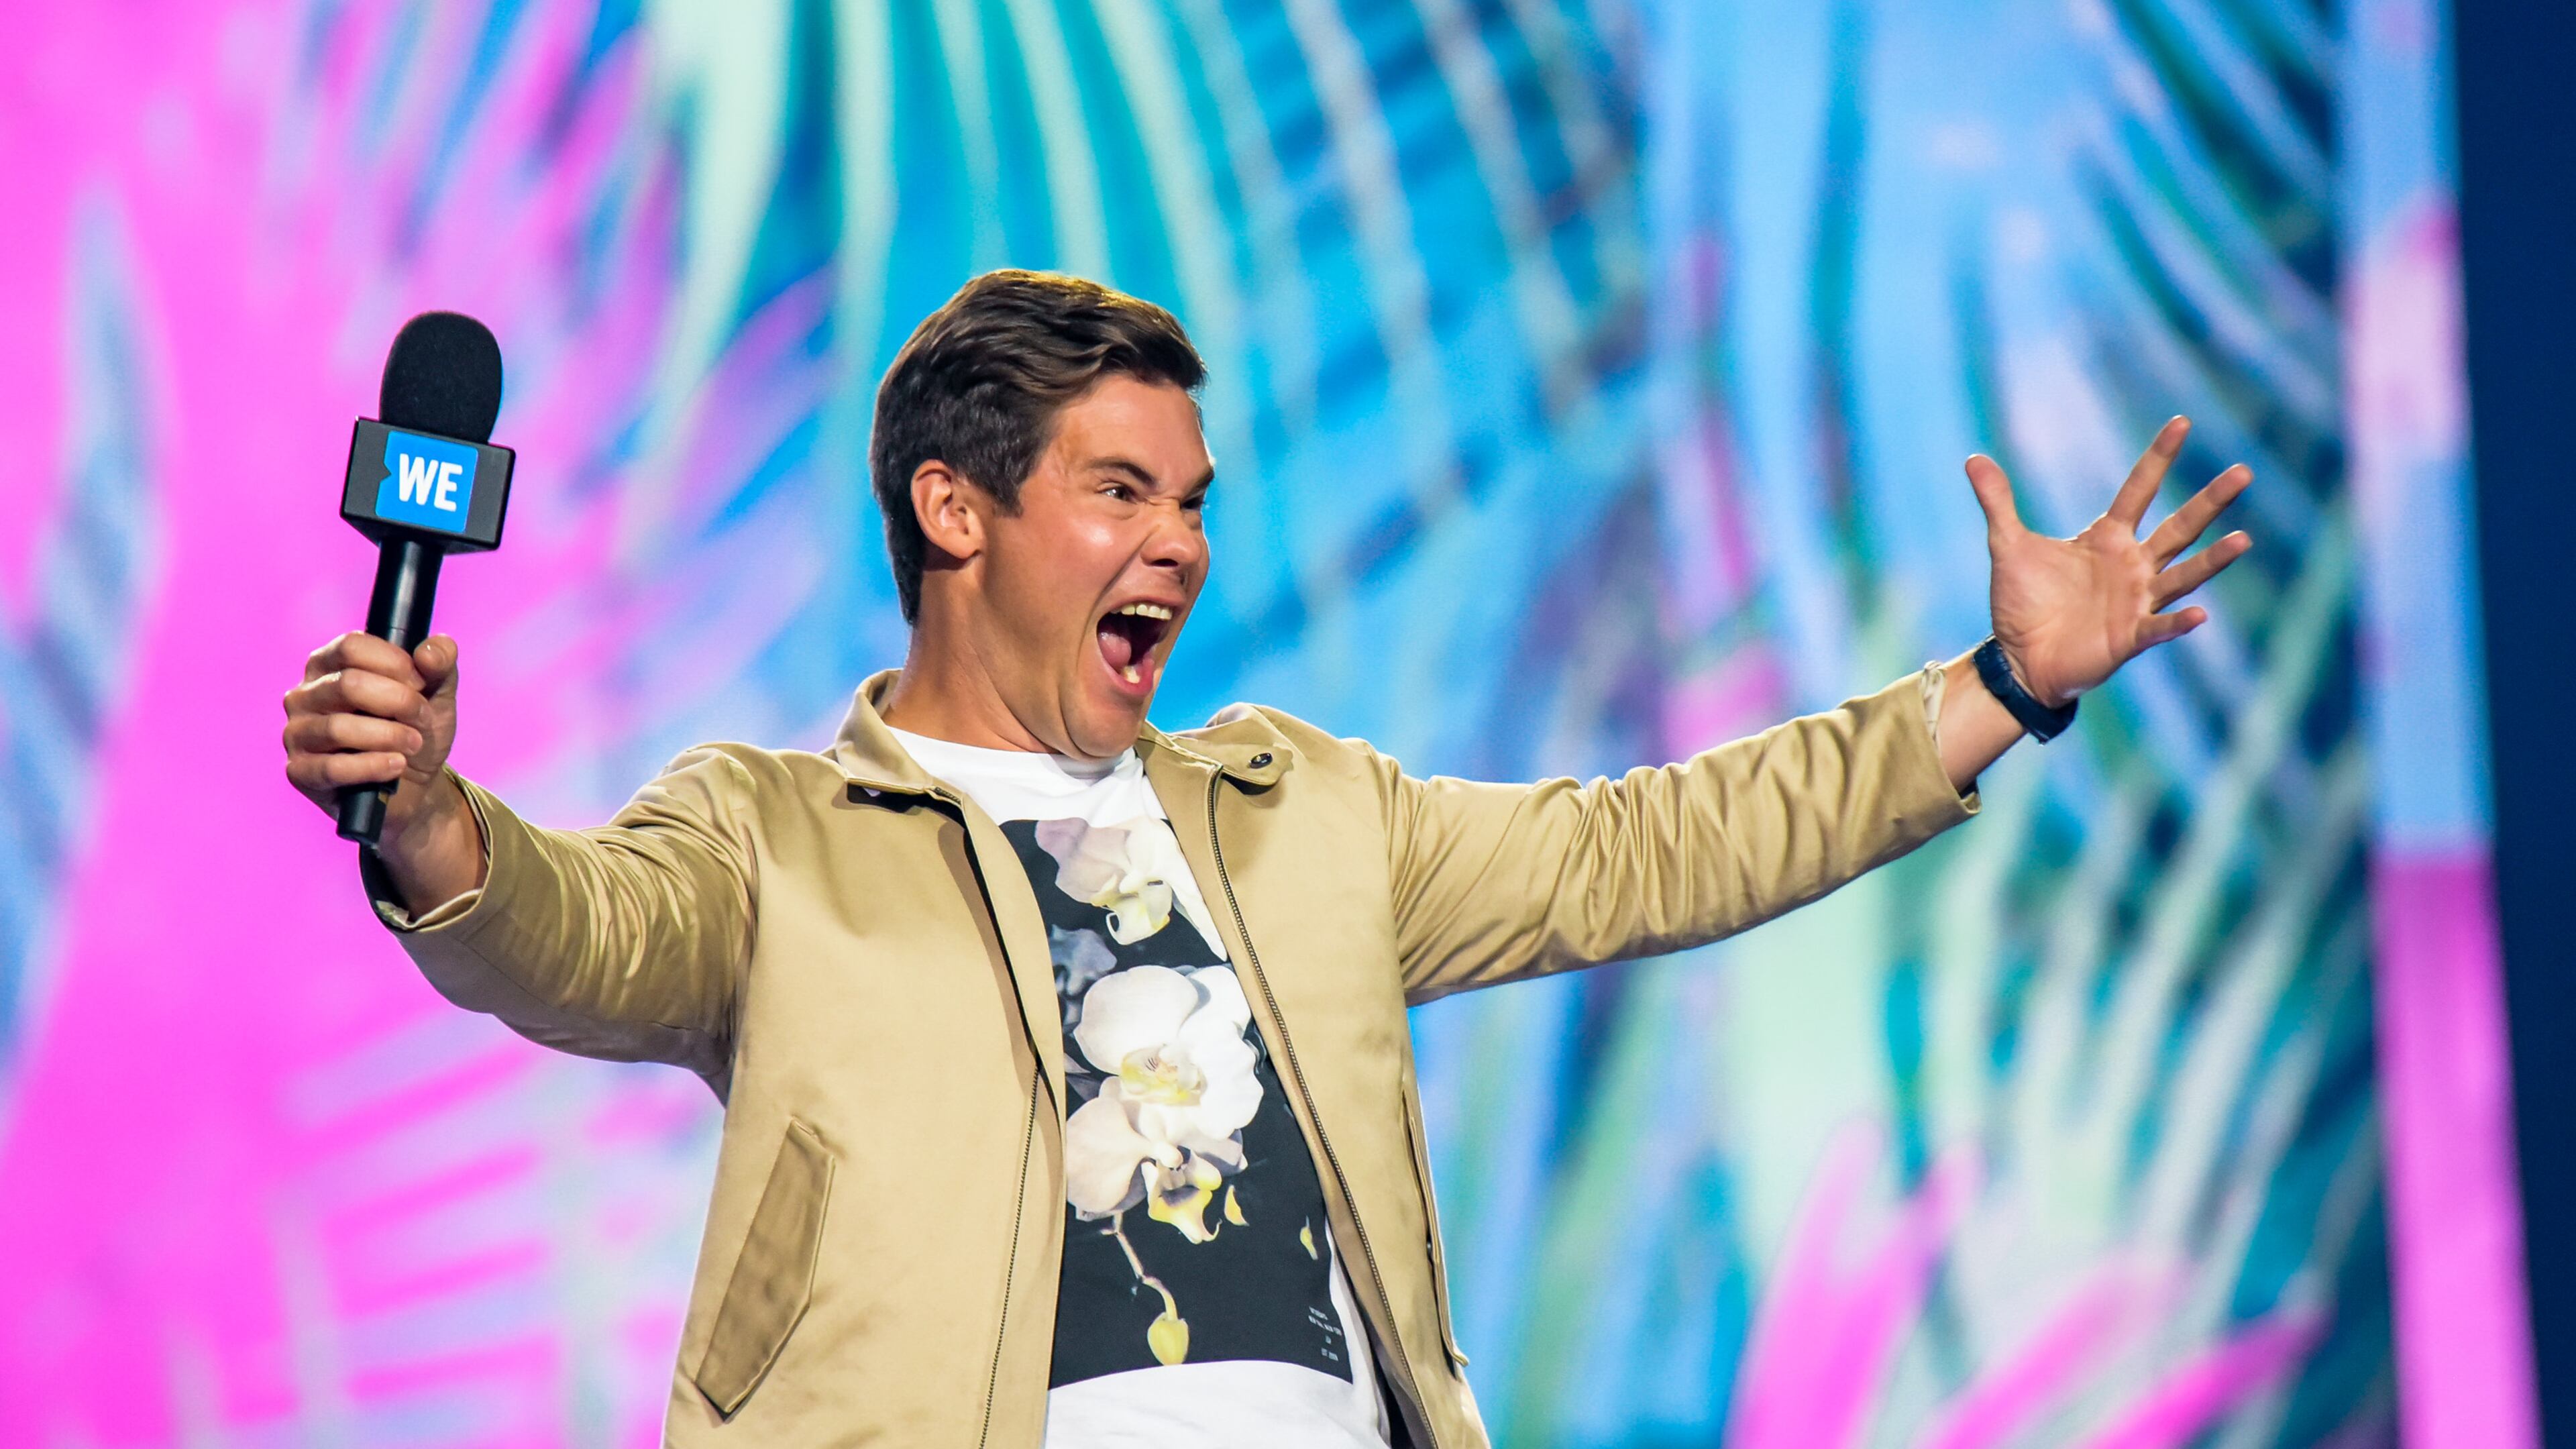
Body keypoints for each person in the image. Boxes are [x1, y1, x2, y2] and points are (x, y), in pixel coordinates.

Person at [279, 271, 2252, 1448]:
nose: (1182, 545)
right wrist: (435, 821)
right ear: (952, 511)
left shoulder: (1298, 811)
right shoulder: (777, 834)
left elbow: (1654, 848)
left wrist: (2004, 685)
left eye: (1194, 500)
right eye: (1119, 491)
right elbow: (576, 937)